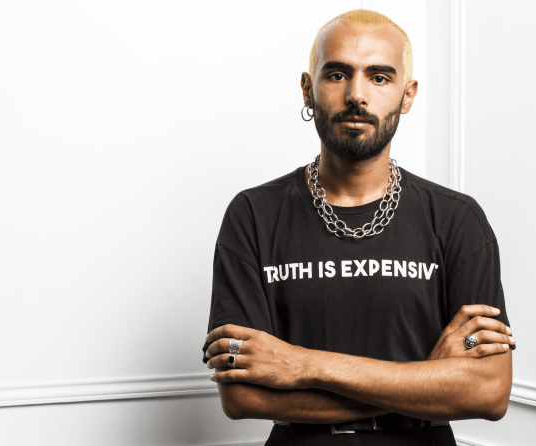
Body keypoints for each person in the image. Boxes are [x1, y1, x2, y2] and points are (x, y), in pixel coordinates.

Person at [202, 9, 515, 446]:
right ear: (308, 89)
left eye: (379, 77)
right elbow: (242, 397)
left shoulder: (457, 218)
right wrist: (427, 379)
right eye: (337, 74)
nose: (357, 95)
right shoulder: (253, 213)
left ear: (407, 95)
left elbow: (489, 393)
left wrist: (300, 364)